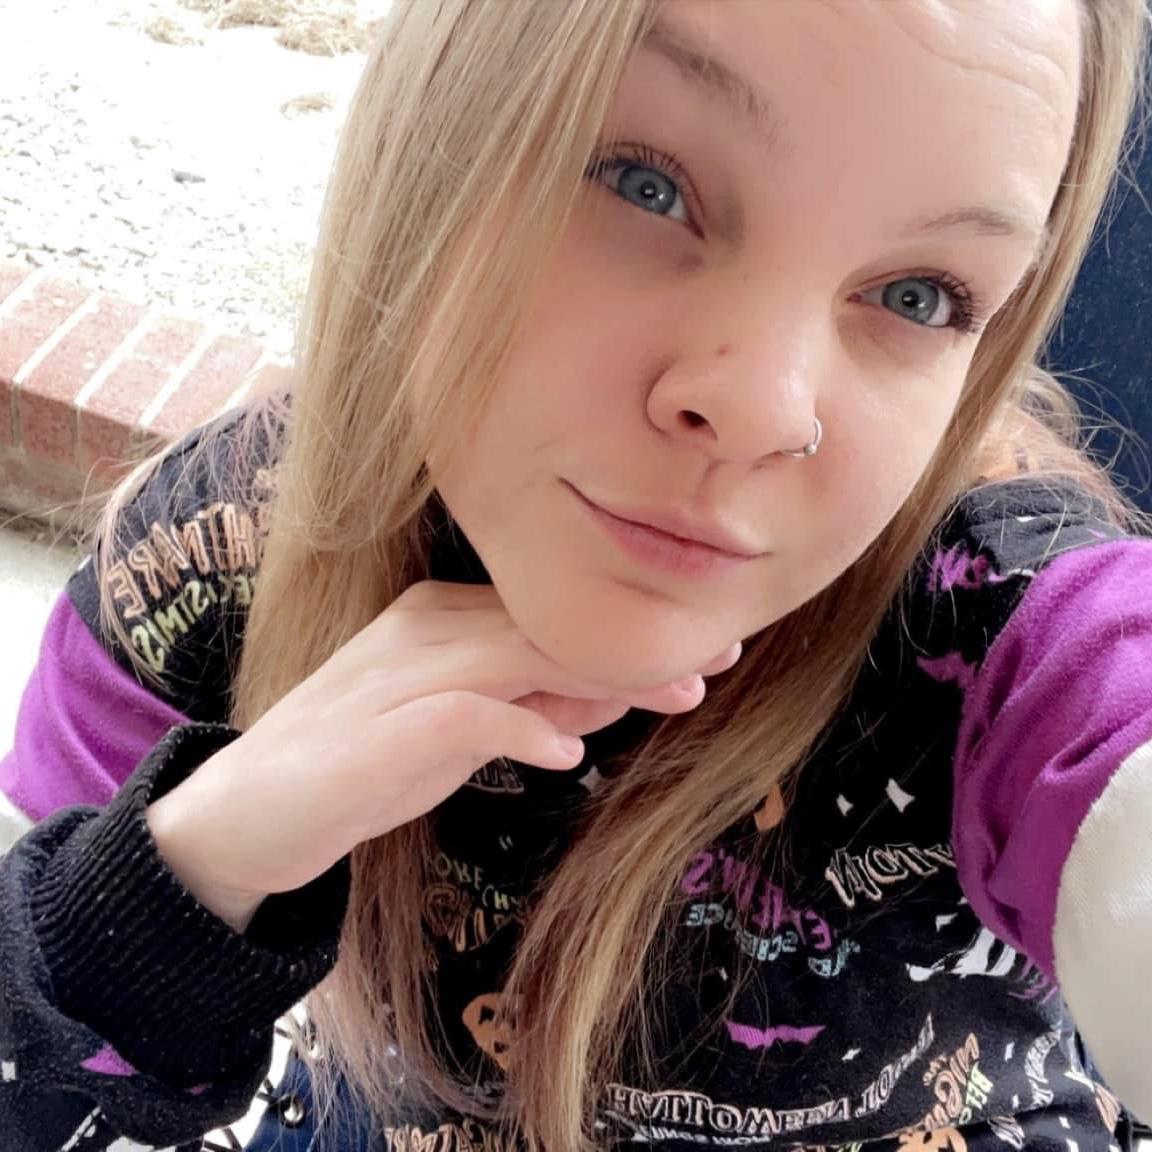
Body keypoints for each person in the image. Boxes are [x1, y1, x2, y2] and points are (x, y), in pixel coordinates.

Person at [0, 1, 1150, 1149]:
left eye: (919, 295)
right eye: (644, 184)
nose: (765, 407)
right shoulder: (214, 550)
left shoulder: (1001, 616)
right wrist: (195, 864)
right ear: (434, 141)